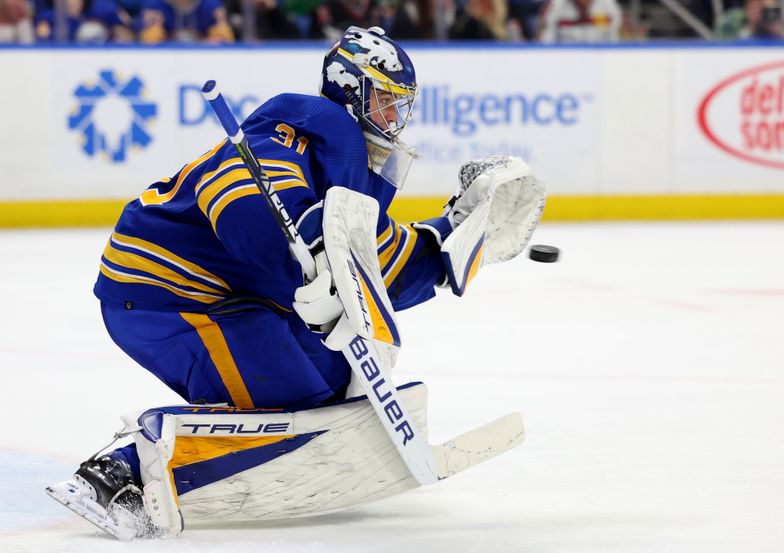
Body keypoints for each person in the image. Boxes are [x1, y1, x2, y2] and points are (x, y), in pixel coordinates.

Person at [48, 25, 544, 538]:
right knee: (296, 402)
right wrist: (301, 250)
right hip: (165, 294)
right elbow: (239, 200)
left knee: (332, 387)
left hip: (234, 302)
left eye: (402, 105)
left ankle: (202, 453)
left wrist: (452, 242)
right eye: (386, 102)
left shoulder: (348, 168)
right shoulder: (289, 133)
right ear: (351, 89)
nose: (396, 119)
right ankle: (121, 468)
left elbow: (374, 265)